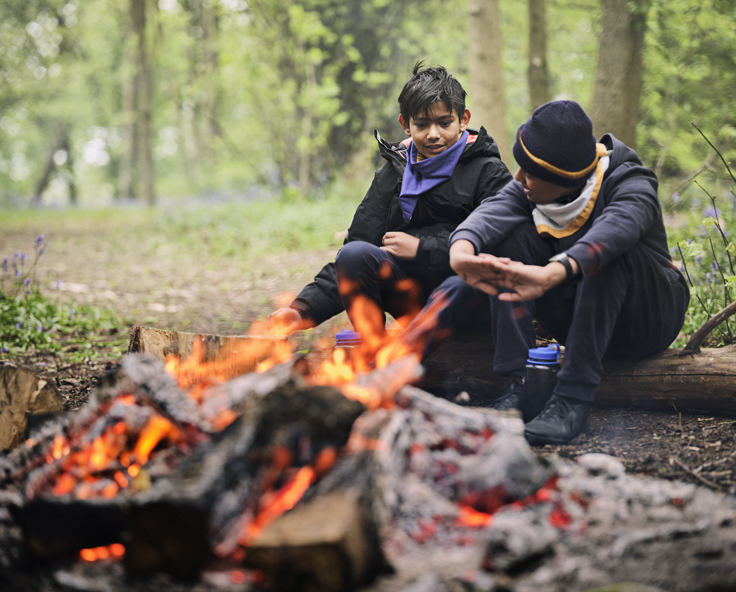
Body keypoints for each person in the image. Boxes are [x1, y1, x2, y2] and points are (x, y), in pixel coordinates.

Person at [447, 100, 690, 445]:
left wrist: (554, 271)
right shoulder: (533, 185)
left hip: (646, 321)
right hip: (580, 318)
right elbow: (494, 210)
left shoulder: (629, 179)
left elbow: (618, 227)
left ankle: (572, 400)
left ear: (564, 178)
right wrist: (461, 251)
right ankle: (518, 385)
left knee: (605, 252)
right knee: (507, 238)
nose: (519, 178)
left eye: (529, 172)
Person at [268, 63, 513, 347]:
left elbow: (501, 247)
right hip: (411, 301)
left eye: (444, 123)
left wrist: (421, 249)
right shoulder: (393, 173)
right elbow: (352, 257)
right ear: (405, 124)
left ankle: (406, 356)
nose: (433, 134)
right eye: (421, 125)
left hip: (467, 299)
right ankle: (374, 350)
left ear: (463, 119)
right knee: (355, 253)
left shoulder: (488, 171)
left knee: (460, 284)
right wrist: (301, 310)